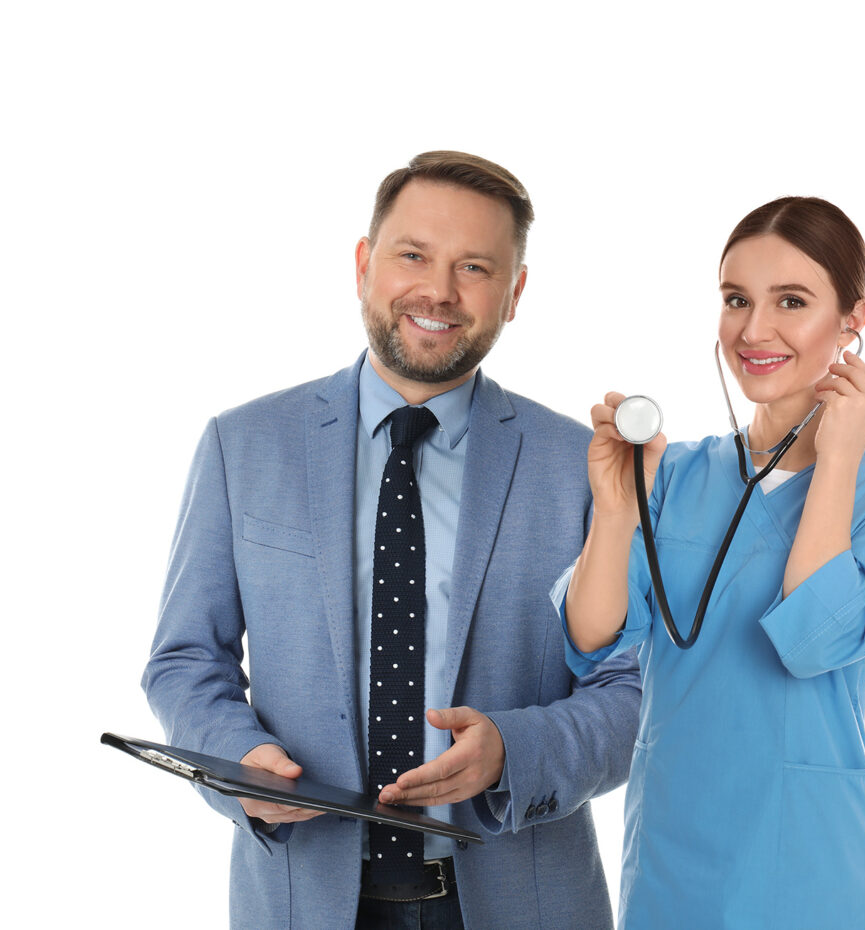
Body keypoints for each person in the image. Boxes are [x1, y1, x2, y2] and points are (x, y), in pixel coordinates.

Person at [142, 150, 641, 929]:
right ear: (364, 264)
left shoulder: (583, 468)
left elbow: (635, 691)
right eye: (414, 255)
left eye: (474, 267)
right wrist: (239, 760)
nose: (438, 291)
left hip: (523, 901)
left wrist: (515, 751)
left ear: (514, 294)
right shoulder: (245, 446)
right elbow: (184, 658)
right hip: (301, 895)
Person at [559, 196, 865, 928]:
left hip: (809, 858)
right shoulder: (670, 472)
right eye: (737, 299)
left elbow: (815, 643)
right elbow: (589, 640)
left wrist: (837, 458)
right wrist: (616, 511)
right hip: (672, 853)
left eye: (792, 301)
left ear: (852, 321)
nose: (754, 329)